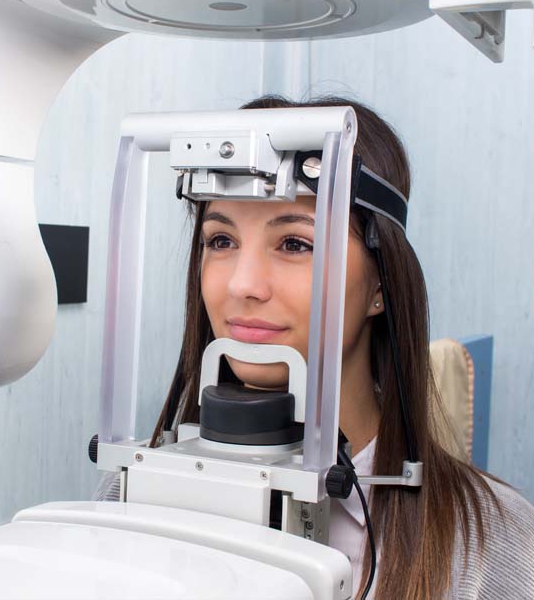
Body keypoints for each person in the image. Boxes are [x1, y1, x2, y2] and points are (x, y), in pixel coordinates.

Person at [97, 95, 534, 599]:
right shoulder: (132, 492)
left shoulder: (492, 542)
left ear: (379, 286)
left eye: (295, 245)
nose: (242, 284)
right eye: (220, 241)